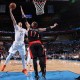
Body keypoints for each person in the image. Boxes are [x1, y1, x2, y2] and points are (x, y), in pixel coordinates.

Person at [20, 6, 58, 80]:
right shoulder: (38, 29)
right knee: (41, 59)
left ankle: (36, 75)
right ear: (36, 26)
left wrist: (21, 10)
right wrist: (54, 26)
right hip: (38, 44)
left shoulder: (29, 27)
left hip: (32, 45)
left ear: (32, 25)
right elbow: (47, 28)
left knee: (34, 60)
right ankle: (43, 73)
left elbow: (24, 18)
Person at [1, 6, 28, 75]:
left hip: (22, 44)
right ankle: (4, 65)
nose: (20, 23)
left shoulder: (24, 30)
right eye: (19, 23)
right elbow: (13, 19)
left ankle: (24, 69)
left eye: (21, 23)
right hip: (15, 44)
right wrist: (10, 11)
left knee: (23, 57)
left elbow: (29, 34)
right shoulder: (16, 27)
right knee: (10, 55)